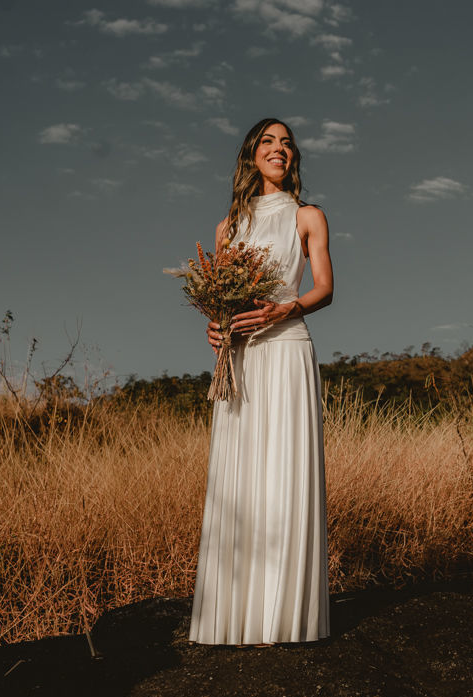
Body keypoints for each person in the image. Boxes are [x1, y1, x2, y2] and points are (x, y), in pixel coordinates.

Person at [188, 118, 333, 647]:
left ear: (294, 159)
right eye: (269, 142)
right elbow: (222, 296)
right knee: (241, 477)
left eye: (287, 143)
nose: (280, 149)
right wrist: (215, 324)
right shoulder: (229, 225)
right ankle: (236, 618)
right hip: (241, 356)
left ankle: (285, 618)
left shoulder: (307, 216)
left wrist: (282, 309)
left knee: (284, 472)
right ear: (252, 156)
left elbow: (325, 288)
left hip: (288, 347)